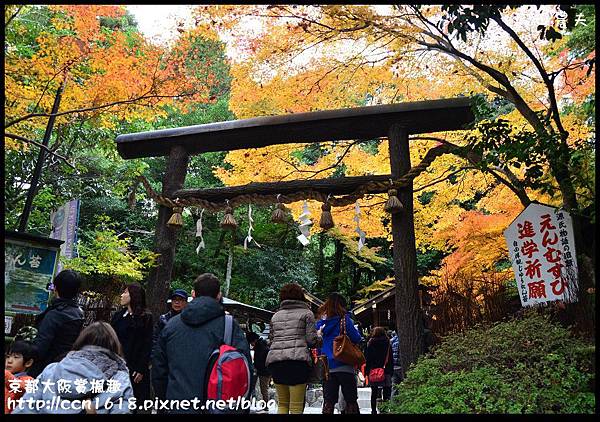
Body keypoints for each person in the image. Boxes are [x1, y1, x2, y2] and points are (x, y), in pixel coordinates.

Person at [151, 273, 253, 413]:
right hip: (217, 407)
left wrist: (164, 403)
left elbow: (159, 371)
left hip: (177, 405)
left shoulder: (171, 326)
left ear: (193, 294)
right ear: (219, 295)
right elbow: (245, 371)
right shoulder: (229, 326)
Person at [13, 322, 133, 414]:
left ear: (80, 342)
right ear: (114, 347)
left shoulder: (52, 370)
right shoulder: (120, 379)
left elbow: (25, 408)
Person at [265, 283, 321, 414]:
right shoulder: (307, 314)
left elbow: (271, 341)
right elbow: (311, 341)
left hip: (276, 362)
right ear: (301, 296)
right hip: (297, 363)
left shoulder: (275, 316)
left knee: (283, 405)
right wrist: (319, 337)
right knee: (296, 407)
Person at [29, 269, 84, 378]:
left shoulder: (54, 315)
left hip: (45, 369)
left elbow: (40, 348)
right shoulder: (79, 313)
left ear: (56, 288)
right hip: (66, 367)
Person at [315, 292, 363, 414]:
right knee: (351, 400)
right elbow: (357, 338)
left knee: (329, 402)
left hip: (327, 366)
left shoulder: (321, 324)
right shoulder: (345, 320)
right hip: (345, 362)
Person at [111, 282, 153, 408]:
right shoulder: (118, 316)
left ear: (133, 296)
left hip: (135, 366)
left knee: (132, 401)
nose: (122, 295)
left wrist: (141, 368)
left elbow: (147, 344)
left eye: (125, 292)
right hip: (116, 364)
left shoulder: (145, 317)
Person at [365, 327, 393, 414]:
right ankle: (384, 410)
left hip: (374, 370)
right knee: (386, 391)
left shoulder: (371, 343)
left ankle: (373, 410)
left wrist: (367, 371)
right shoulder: (388, 343)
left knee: (374, 392)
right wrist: (391, 370)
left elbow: (368, 359)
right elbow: (391, 358)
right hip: (386, 370)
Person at [4, 340, 35, 414]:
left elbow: (19, 386)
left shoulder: (29, 380)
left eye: (16, 357)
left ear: (28, 363)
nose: (9, 361)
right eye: (8, 357)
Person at [246, 331, 271, 404]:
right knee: (263, 388)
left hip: (264, 371)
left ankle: (266, 405)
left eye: (251, 343)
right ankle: (265, 404)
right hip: (263, 370)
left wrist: (255, 367)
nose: (251, 345)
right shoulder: (261, 345)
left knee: (264, 389)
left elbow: (260, 360)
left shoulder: (260, 347)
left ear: (254, 340)